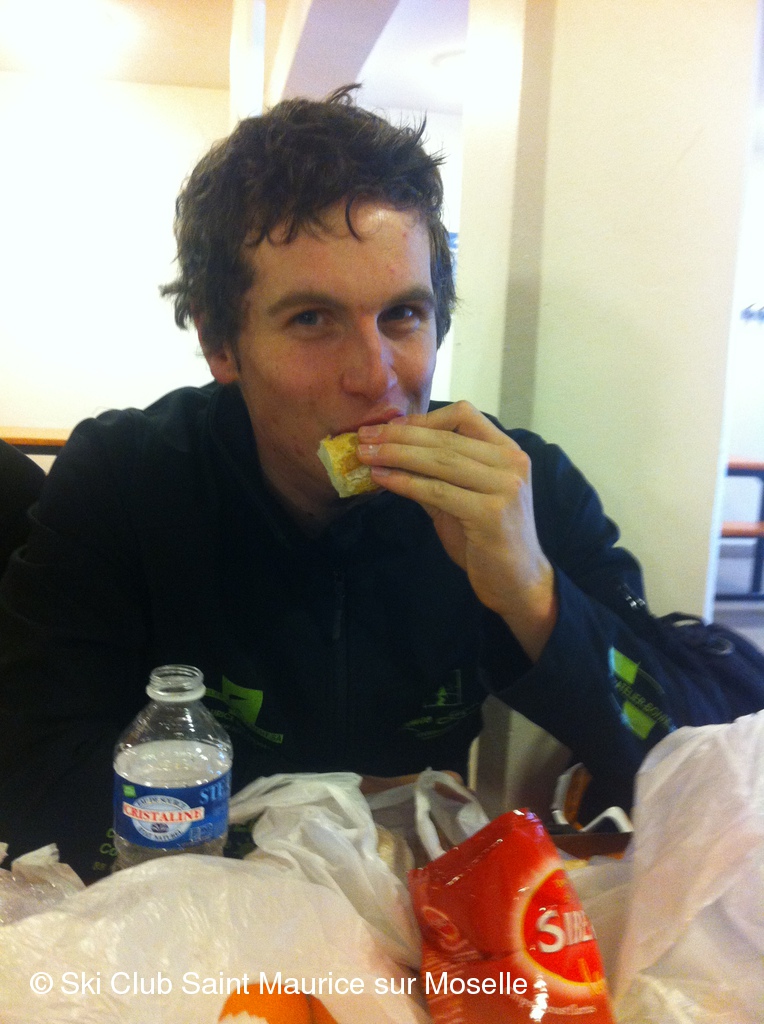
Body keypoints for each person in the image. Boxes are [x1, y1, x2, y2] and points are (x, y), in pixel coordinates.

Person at [0, 87, 752, 883]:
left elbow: (712, 762)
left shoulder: (521, 490)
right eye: (312, 320)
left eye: (402, 315)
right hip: (189, 913)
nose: (375, 377)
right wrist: (319, 832)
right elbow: (29, 772)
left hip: (425, 925)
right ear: (221, 344)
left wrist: (535, 598)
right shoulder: (124, 478)